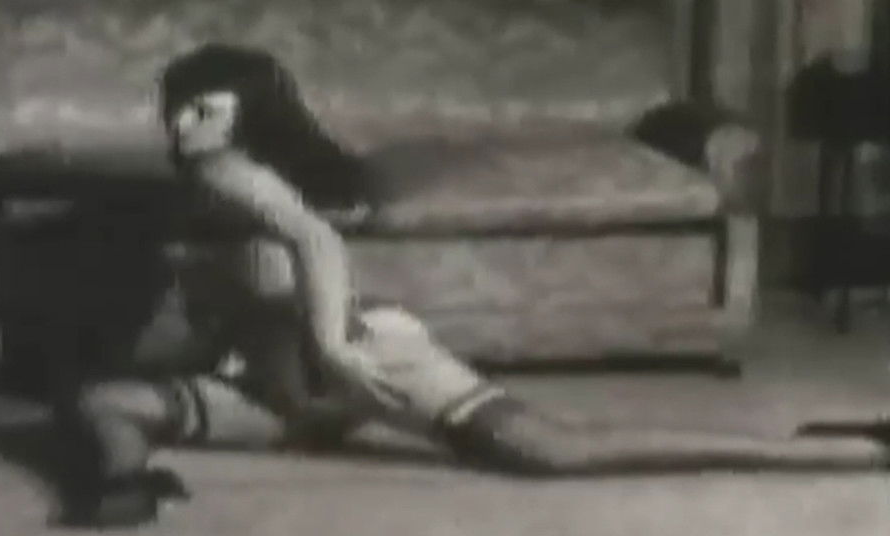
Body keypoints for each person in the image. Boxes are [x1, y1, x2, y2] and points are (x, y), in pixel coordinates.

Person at [53, 44, 890, 528]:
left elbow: (314, 237)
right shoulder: (214, 172)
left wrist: (335, 348)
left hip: (349, 359)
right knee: (101, 401)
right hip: (275, 382)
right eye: (176, 106)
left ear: (244, 114)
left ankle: (848, 449)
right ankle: (126, 487)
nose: (182, 123)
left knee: (559, 453)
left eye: (204, 110)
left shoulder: (232, 173)